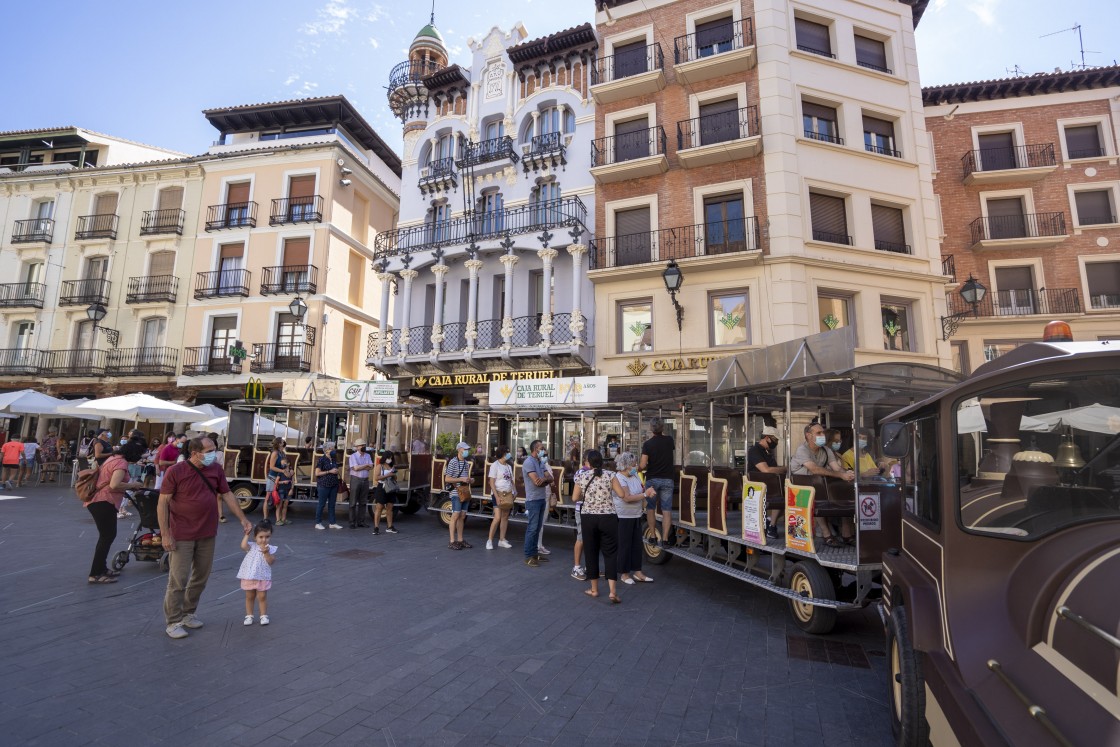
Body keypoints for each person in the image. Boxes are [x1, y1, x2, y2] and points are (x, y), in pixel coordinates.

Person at [158, 437, 252, 639]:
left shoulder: (216, 470)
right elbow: (163, 503)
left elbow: (227, 494)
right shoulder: (176, 471)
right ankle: (173, 621)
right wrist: (165, 533)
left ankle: (188, 613)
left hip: (207, 532)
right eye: (209, 450)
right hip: (181, 533)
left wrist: (243, 519)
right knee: (178, 580)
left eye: (214, 449)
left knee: (201, 576)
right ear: (194, 452)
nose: (213, 453)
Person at [83, 440, 146, 584]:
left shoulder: (113, 458)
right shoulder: (121, 463)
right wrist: (133, 485)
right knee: (106, 537)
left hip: (99, 501)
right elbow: (114, 484)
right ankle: (95, 573)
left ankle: (102, 568)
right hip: (104, 501)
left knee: (107, 536)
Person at [790, 423, 855, 547]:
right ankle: (827, 534)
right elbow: (815, 470)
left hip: (819, 486)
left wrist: (848, 474)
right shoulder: (802, 450)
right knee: (817, 493)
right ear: (808, 436)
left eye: (823, 432)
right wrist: (840, 475)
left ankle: (846, 534)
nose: (822, 435)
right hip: (800, 489)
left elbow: (836, 467)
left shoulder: (826, 450)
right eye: (818, 433)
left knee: (844, 495)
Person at [572, 449, 620, 603]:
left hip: (588, 517)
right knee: (611, 553)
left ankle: (594, 589)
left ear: (588, 462)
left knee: (591, 552)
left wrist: (587, 495)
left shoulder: (582, 476)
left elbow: (574, 497)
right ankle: (612, 592)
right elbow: (622, 494)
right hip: (608, 517)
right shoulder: (611, 475)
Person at [612, 452, 656, 585]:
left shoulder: (635, 475)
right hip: (623, 515)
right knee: (624, 545)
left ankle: (638, 572)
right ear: (625, 465)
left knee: (637, 545)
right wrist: (645, 495)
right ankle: (624, 574)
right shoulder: (619, 478)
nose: (635, 466)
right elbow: (626, 497)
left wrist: (647, 492)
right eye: (633, 464)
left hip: (636, 514)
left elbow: (641, 490)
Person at [639, 417, 676, 548]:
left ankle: (653, 537)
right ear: (663, 428)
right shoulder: (670, 440)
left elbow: (643, 465)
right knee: (666, 509)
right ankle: (665, 539)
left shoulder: (648, 444)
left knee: (650, 508)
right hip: (667, 479)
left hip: (652, 480)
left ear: (651, 428)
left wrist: (635, 469)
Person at [747, 426, 786, 539]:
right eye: (775, 440)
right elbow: (766, 470)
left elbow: (773, 469)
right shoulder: (755, 450)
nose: (776, 442)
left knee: (787, 496)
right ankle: (772, 525)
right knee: (780, 494)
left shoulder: (768, 452)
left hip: (771, 485)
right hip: (757, 486)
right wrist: (785, 468)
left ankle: (770, 522)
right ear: (767, 438)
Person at [237, 520, 276, 626]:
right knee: (249, 596)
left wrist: (266, 553)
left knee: (262, 596)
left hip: (262, 577)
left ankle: (263, 615)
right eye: (261, 537)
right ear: (255, 537)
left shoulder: (270, 548)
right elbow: (243, 546)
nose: (264, 540)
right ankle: (249, 615)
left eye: (267, 537)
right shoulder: (252, 546)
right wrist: (247, 534)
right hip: (249, 576)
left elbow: (271, 561)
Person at [522, 440, 553, 566]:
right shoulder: (528, 462)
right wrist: (545, 480)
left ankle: (535, 553)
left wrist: (544, 479)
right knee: (532, 528)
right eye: (542, 448)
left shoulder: (540, 462)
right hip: (533, 499)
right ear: (535, 449)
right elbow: (537, 482)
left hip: (541, 498)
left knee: (538, 527)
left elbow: (550, 478)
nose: (544, 450)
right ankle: (529, 555)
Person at [445, 441, 472, 550]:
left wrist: (470, 480)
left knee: (462, 516)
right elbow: (447, 478)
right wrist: (461, 479)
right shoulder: (453, 462)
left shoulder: (466, 463)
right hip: (456, 492)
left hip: (464, 491)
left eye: (467, 449)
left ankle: (460, 539)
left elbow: (465, 477)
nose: (466, 451)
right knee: (455, 515)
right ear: (459, 450)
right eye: (464, 449)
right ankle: (452, 541)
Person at [486, 447, 514, 550]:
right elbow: (492, 482)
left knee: (505, 516)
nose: (509, 454)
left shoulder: (508, 466)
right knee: (497, 517)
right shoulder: (495, 465)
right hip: (497, 493)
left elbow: (511, 480)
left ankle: (502, 539)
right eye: (507, 452)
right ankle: (489, 540)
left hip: (507, 493)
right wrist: (497, 496)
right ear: (502, 454)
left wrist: (514, 491)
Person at [570, 454, 592, 581]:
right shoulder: (581, 472)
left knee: (590, 539)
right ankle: (576, 567)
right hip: (582, 508)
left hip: (592, 509)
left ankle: (590, 566)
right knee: (581, 537)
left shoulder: (595, 471)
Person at [313, 445, 343, 530]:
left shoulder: (333, 459)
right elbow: (317, 473)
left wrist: (336, 471)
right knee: (321, 504)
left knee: (332, 504)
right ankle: (318, 522)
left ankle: (332, 522)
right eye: (331, 449)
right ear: (326, 450)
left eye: (333, 449)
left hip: (333, 484)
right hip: (323, 485)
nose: (333, 450)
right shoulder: (321, 460)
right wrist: (329, 471)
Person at [264, 438, 292, 525]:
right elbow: (272, 467)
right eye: (282, 441)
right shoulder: (275, 453)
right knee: (268, 497)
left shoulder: (282, 453)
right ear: (279, 443)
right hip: (273, 477)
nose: (284, 441)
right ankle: (265, 518)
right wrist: (282, 471)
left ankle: (280, 518)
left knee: (278, 498)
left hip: (279, 477)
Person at [371, 449, 399, 535]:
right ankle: (376, 527)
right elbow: (376, 477)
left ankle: (390, 526)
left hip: (390, 487)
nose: (389, 459)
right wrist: (388, 475)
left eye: (391, 458)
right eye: (388, 458)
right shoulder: (380, 466)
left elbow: (395, 478)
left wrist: (394, 475)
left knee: (390, 507)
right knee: (379, 507)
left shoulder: (392, 466)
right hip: (382, 487)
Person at [347, 438, 372, 529]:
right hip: (356, 479)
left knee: (363, 502)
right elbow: (355, 468)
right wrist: (365, 465)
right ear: (357, 447)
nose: (363, 447)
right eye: (361, 445)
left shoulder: (368, 456)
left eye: (364, 445)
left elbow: (371, 467)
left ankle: (361, 521)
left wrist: (362, 466)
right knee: (353, 502)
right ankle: (352, 522)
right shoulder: (353, 456)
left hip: (365, 479)